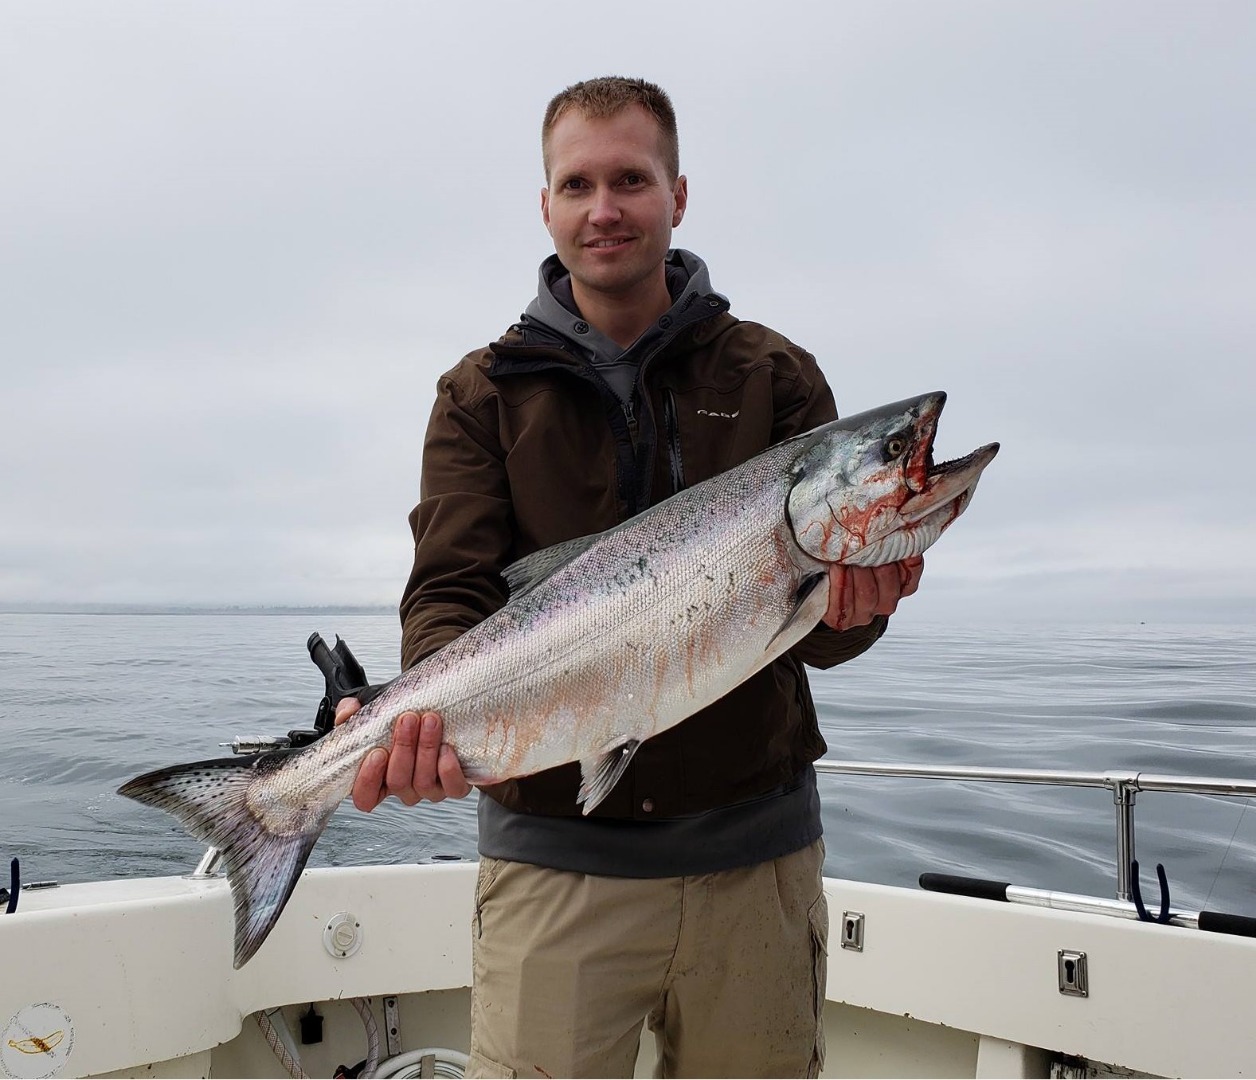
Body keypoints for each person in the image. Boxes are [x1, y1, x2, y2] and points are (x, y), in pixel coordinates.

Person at [336, 76, 923, 1078]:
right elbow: (449, 586)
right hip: (553, 864)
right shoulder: (479, 394)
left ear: (676, 195)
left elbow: (821, 636)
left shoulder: (772, 375)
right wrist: (428, 707)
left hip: (756, 863)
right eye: (577, 183)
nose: (602, 208)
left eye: (629, 179)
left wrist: (857, 601)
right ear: (546, 205)